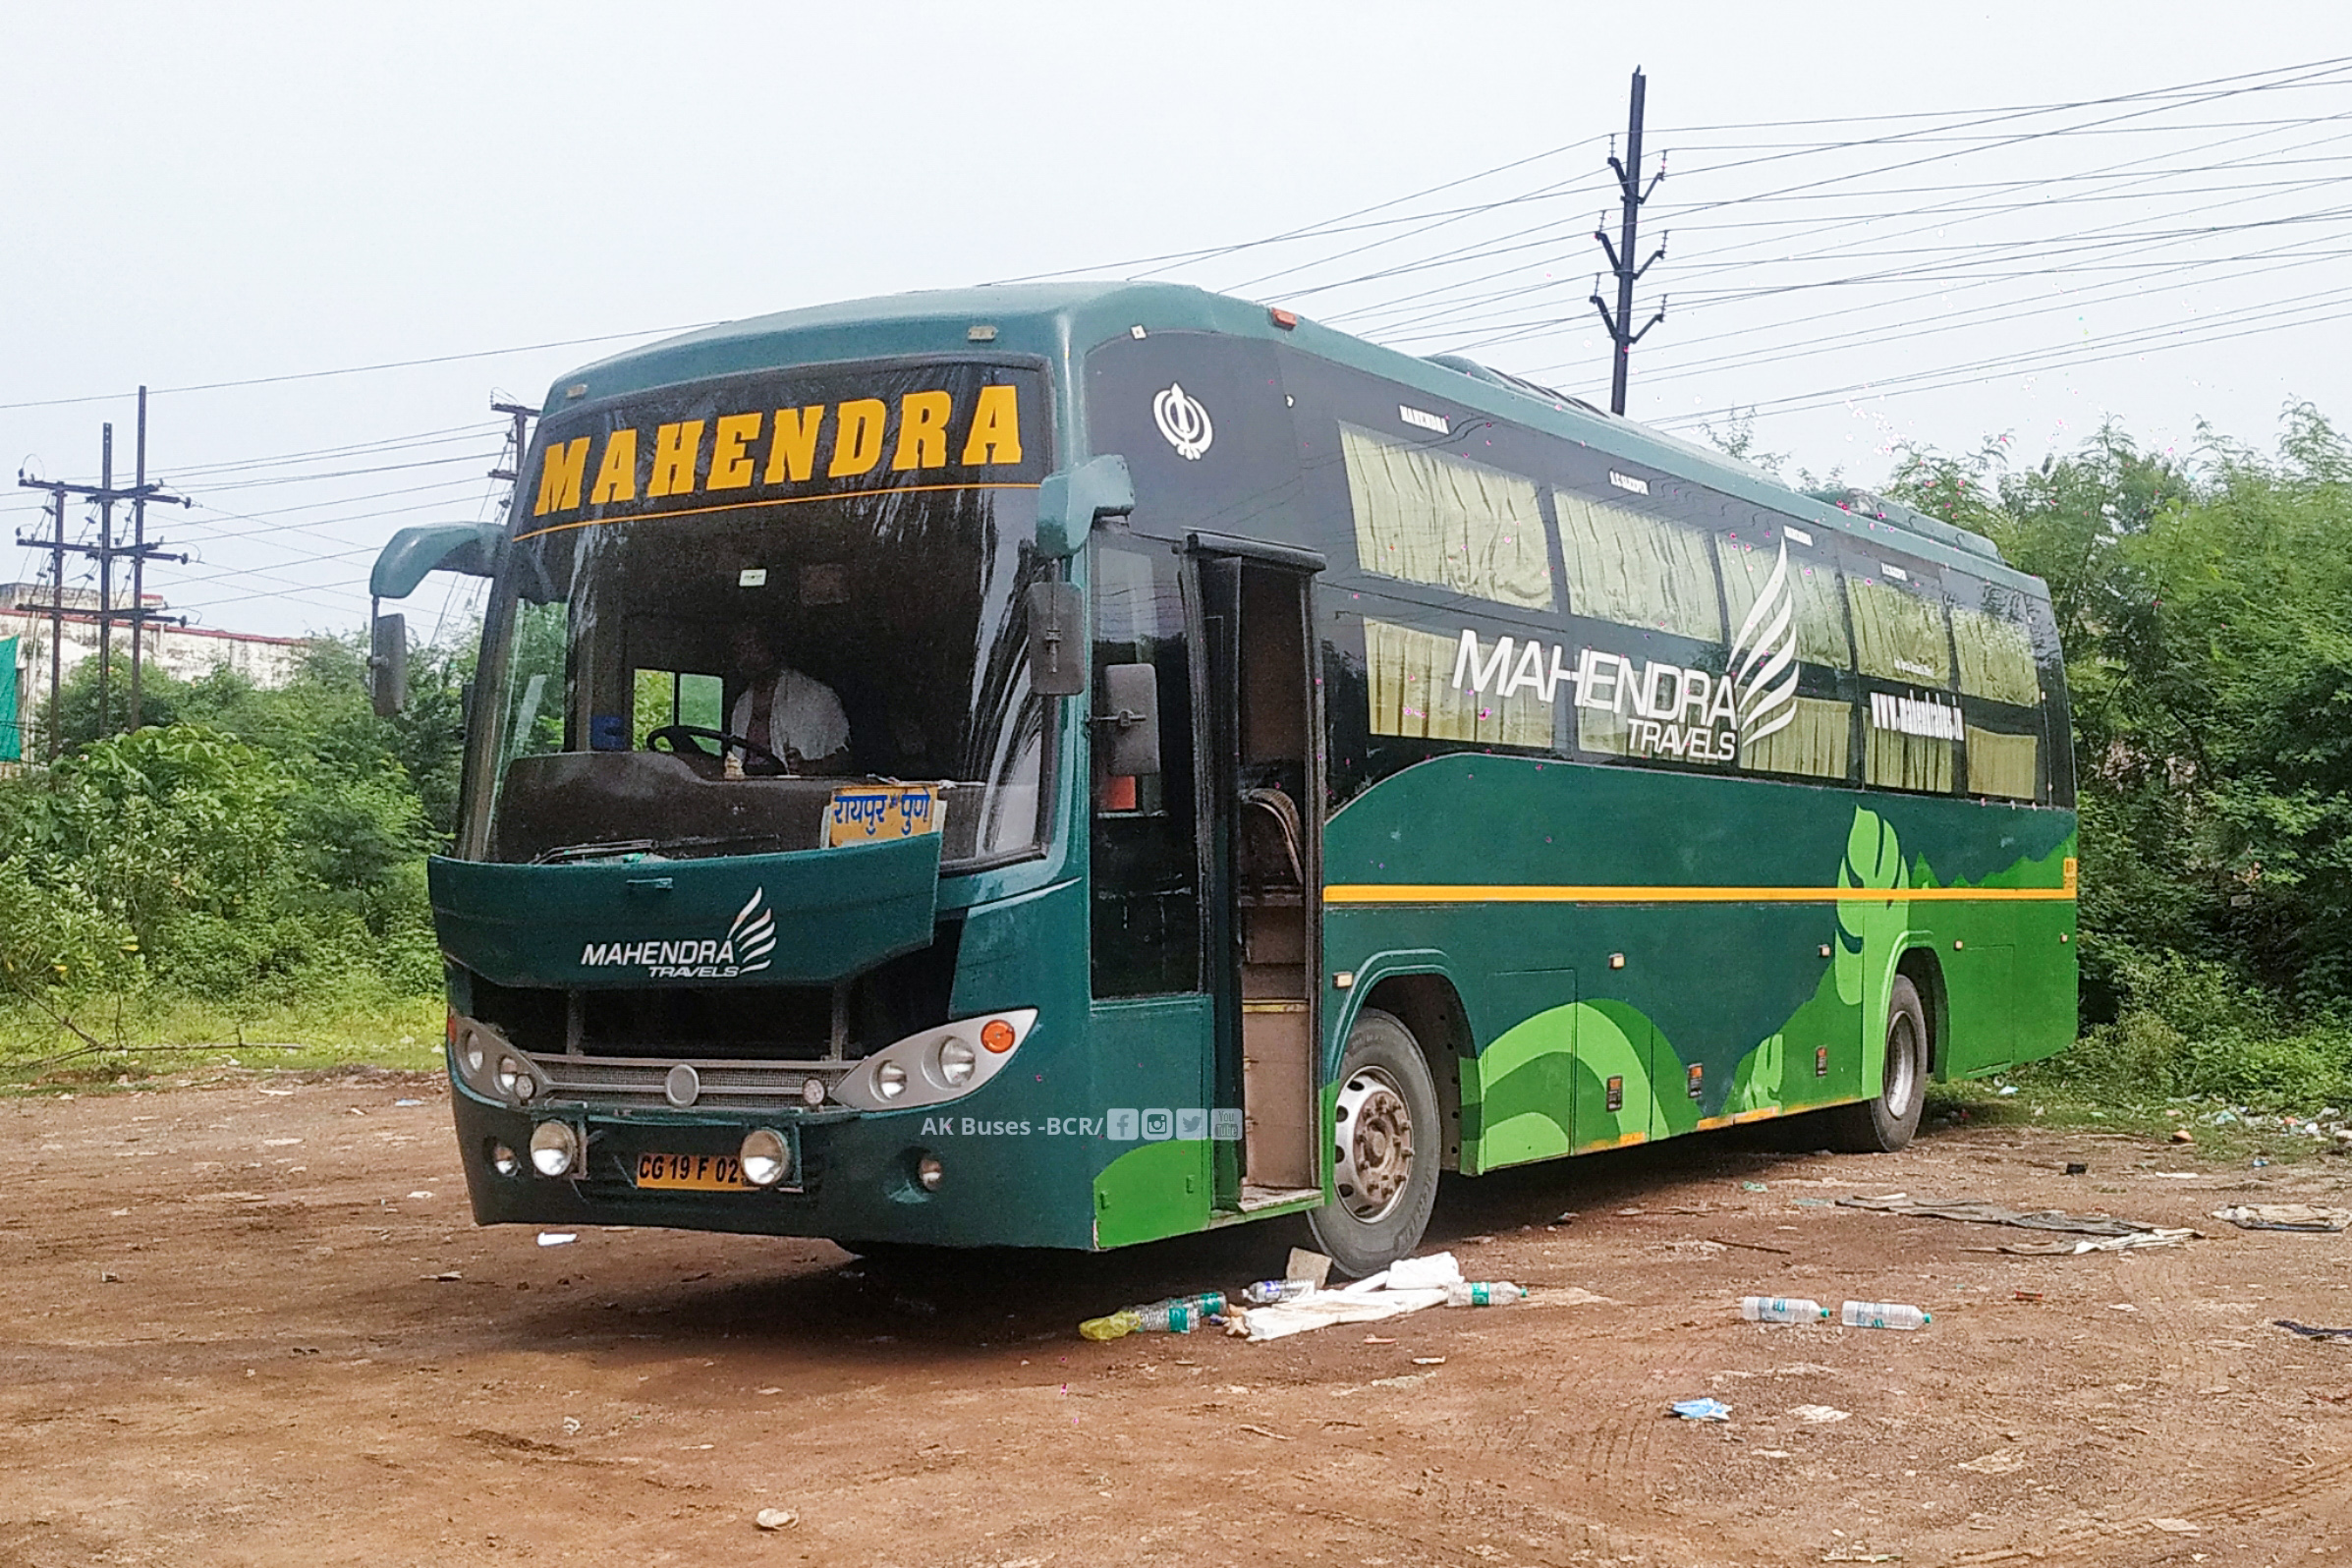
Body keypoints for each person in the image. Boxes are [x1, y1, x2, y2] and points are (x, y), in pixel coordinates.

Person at [725, 622, 852, 774]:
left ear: (772, 647)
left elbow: (845, 758)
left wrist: (810, 767)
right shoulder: (742, 705)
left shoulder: (816, 696)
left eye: (754, 644)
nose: (746, 655)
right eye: (739, 648)